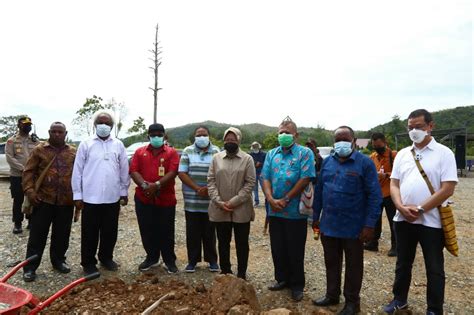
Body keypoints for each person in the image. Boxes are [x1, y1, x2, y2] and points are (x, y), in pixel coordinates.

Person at [383, 109, 458, 315]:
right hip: (403, 219)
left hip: (431, 221)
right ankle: (399, 300)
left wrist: (420, 208)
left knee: (434, 267)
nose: (414, 131)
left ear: (430, 126)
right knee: (402, 263)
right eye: (410, 128)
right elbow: (394, 184)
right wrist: (399, 206)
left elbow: (447, 188)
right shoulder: (403, 155)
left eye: (419, 127)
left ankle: (434, 309)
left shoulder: (444, 153)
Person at [312, 126, 382, 315]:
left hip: (354, 227)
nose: (341, 143)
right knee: (331, 261)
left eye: (345, 139)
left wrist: (369, 224)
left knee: (353, 265)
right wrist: (315, 218)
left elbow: (375, 196)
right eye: (337, 139)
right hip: (329, 224)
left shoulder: (365, 163)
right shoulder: (327, 162)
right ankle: (332, 294)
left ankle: (352, 302)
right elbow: (318, 192)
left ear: (353, 140)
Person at [262, 118, 316, 302]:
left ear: (296, 135)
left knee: (295, 249)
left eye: (287, 132)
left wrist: (286, 199)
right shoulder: (271, 154)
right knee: (278, 247)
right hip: (275, 210)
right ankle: (282, 279)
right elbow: (266, 177)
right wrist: (270, 199)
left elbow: (306, 177)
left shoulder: (304, 153)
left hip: (294, 211)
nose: (283, 135)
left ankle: (297, 284)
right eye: (281, 132)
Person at [72, 111, 130, 276]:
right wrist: (77, 195)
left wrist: (124, 191)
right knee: (89, 232)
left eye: (107, 123)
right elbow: (77, 171)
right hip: (91, 197)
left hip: (112, 197)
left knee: (110, 231)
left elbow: (124, 169)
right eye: (100, 122)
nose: (103, 125)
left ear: (111, 126)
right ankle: (88, 263)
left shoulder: (118, 145)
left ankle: (106, 258)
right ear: (95, 125)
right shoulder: (86, 144)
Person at [21, 122, 77, 282]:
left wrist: (79, 197)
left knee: (62, 235)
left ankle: (58, 261)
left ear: (66, 133)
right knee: (37, 236)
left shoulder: (73, 152)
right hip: (43, 200)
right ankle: (30, 267)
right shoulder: (39, 150)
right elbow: (28, 172)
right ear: (49, 132)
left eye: (60, 132)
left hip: (66, 202)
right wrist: (30, 192)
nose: (57, 134)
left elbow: (79, 174)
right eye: (54, 131)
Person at [130, 123, 180, 273]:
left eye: (159, 134)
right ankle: (151, 258)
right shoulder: (139, 152)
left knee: (166, 231)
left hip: (165, 199)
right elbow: (133, 170)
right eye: (153, 135)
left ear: (165, 136)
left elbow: (173, 172)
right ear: (148, 136)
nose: (156, 137)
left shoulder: (172, 153)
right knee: (147, 229)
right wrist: (145, 186)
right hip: (143, 198)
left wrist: (156, 185)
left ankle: (169, 260)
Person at [207, 127, 256, 280]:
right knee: (223, 242)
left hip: (241, 209)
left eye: (233, 140)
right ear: (224, 141)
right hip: (220, 208)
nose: (230, 142)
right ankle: (225, 272)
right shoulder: (216, 158)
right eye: (227, 140)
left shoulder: (247, 159)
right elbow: (211, 181)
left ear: (239, 140)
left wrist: (234, 202)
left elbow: (250, 183)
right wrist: (219, 201)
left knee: (242, 243)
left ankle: (242, 274)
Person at [178, 126, 220, 273]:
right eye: (198, 135)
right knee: (193, 232)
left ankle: (212, 261)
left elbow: (219, 173)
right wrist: (197, 188)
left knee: (210, 232)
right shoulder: (187, 151)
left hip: (210, 200)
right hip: (192, 201)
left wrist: (208, 189)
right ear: (194, 137)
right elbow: (182, 172)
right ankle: (192, 261)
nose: (201, 137)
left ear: (209, 136)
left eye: (204, 134)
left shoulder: (216, 152)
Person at [365, 132, 397, 256]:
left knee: (393, 220)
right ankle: (373, 243)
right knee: (375, 219)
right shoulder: (372, 157)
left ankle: (396, 246)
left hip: (391, 193)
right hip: (376, 193)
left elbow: (400, 173)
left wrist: (386, 175)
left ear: (385, 142)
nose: (377, 148)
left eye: (379, 146)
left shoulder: (394, 156)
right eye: (375, 146)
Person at [5, 116, 40, 234]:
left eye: (29, 124)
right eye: (25, 124)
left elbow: (39, 155)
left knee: (32, 198)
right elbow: (10, 158)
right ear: (19, 125)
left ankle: (31, 221)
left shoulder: (35, 140)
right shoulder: (12, 141)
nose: (28, 126)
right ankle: (17, 223)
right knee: (18, 199)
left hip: (32, 175)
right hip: (17, 175)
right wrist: (23, 169)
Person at [249, 142, 266, 207]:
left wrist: (260, 164)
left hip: (262, 172)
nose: (255, 147)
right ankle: (256, 201)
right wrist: (256, 163)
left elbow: (266, 162)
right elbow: (250, 163)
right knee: (255, 188)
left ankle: (266, 200)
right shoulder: (251, 155)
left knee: (264, 187)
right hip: (254, 172)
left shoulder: (264, 154)